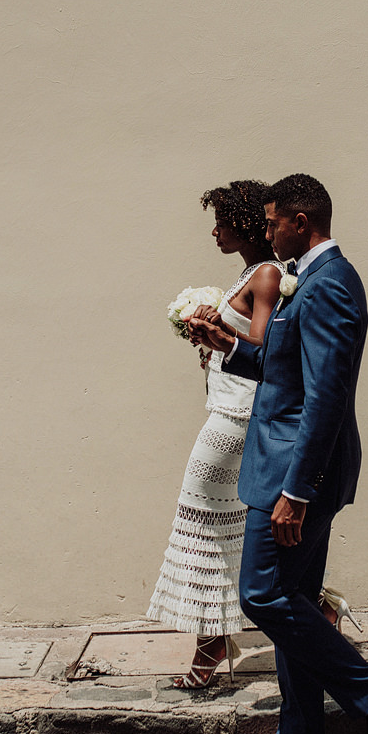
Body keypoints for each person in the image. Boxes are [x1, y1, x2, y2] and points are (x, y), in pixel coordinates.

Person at [189, 173, 368, 734]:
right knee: (289, 599)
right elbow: (283, 365)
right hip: (283, 463)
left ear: (300, 221)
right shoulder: (312, 281)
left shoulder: (329, 286)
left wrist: (295, 492)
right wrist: (227, 345)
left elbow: (324, 397)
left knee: (262, 596)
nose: (265, 234)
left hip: (294, 473)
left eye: (271, 223)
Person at [146, 181, 285, 688]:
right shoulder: (249, 273)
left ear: (245, 224)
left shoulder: (267, 273)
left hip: (237, 416)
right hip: (225, 406)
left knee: (204, 518)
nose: (215, 230)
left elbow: (262, 346)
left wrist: (220, 337)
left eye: (223, 221)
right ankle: (315, 611)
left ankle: (211, 646)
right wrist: (208, 329)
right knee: (226, 522)